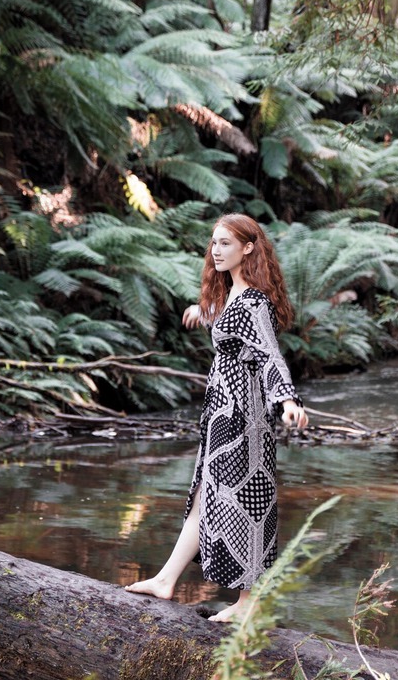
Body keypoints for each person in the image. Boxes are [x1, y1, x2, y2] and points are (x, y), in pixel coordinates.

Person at [125, 213, 309, 623]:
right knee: (204, 502)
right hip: (222, 417)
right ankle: (166, 580)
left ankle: (249, 603)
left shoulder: (254, 302)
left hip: (245, 419)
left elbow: (268, 355)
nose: (216, 250)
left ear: (248, 248)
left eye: (226, 243)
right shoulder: (233, 299)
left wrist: (288, 400)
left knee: (247, 504)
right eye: (213, 243)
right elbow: (230, 328)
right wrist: (202, 310)